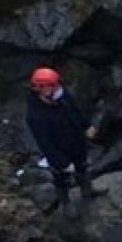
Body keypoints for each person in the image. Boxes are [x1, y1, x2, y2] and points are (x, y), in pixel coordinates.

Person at [25, 67, 98, 206]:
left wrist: (86, 126)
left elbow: (76, 111)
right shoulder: (36, 115)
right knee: (62, 179)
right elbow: (45, 143)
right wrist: (61, 162)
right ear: (40, 89)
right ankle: (66, 203)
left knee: (82, 167)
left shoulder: (62, 96)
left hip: (76, 141)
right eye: (52, 85)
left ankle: (87, 190)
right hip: (59, 150)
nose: (58, 87)